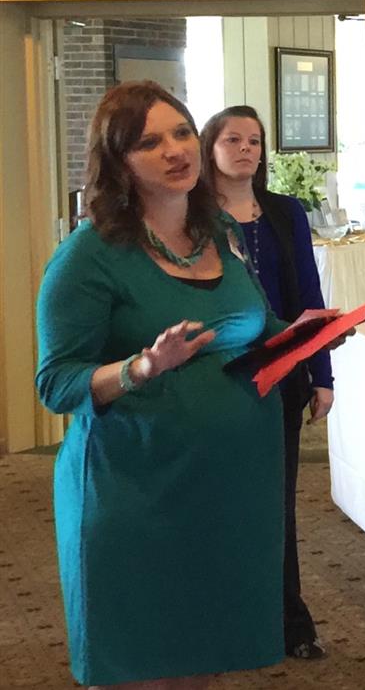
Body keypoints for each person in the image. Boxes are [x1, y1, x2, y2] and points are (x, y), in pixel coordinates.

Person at [36, 82, 288, 687]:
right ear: (118, 160)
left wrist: (306, 331)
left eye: (180, 132)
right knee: (142, 658)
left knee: (206, 650)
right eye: (150, 142)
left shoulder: (218, 232)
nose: (176, 151)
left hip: (227, 487)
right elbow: (57, 383)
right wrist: (140, 368)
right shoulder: (88, 256)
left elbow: (246, 327)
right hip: (135, 489)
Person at [198, 105, 336, 662]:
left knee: (276, 505)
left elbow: (309, 293)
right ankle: (217, 617)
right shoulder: (193, 214)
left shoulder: (285, 213)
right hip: (214, 377)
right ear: (211, 147)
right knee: (217, 501)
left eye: (255, 141)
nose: (246, 149)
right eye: (233, 139)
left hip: (282, 376)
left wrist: (322, 375)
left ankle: (289, 620)